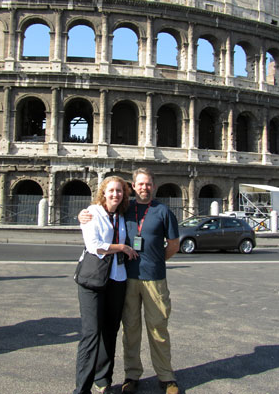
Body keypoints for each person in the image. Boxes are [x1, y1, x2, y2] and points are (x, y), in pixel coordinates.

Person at [79, 168, 180, 394]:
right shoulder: (125, 208)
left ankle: (166, 377)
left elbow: (174, 245)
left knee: (158, 329)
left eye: (148, 184)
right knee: (130, 330)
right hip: (127, 279)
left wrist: (155, 261)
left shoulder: (163, 211)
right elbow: (101, 211)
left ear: (153, 186)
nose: (144, 188)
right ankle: (132, 375)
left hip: (155, 279)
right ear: (133, 187)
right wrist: (82, 214)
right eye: (140, 184)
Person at [74, 176, 138, 394]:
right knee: (91, 333)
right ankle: (81, 389)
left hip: (117, 278)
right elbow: (94, 246)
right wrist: (121, 247)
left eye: (119, 191)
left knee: (110, 331)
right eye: (111, 190)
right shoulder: (92, 212)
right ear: (103, 192)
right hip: (93, 279)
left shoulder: (122, 215)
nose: (115, 194)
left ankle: (103, 380)